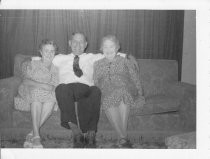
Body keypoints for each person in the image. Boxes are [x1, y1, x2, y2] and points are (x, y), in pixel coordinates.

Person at [53, 33, 127, 148]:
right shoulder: (59, 58)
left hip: (86, 88)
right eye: (74, 42)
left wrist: (129, 57)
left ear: (86, 44)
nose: (78, 45)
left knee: (96, 90)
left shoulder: (93, 57)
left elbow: (115, 54)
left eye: (81, 42)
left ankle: (91, 133)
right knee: (60, 88)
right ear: (69, 43)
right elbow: (42, 59)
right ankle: (76, 132)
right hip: (66, 89)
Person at [93, 35, 145, 148]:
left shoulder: (125, 61)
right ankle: (123, 138)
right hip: (106, 91)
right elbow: (96, 82)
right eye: (105, 47)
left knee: (121, 91)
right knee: (108, 96)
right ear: (101, 48)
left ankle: (122, 138)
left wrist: (140, 94)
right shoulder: (97, 64)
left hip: (125, 89)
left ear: (117, 48)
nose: (108, 50)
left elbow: (134, 78)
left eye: (111, 46)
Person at [15, 39, 59, 148]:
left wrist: (49, 88)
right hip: (29, 90)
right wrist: (43, 85)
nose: (49, 54)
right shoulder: (32, 63)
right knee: (36, 93)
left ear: (55, 53)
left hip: (46, 94)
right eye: (46, 51)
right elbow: (25, 81)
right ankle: (36, 137)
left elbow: (54, 86)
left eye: (52, 51)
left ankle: (32, 133)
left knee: (52, 99)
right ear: (40, 51)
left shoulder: (56, 69)